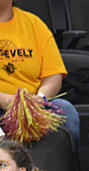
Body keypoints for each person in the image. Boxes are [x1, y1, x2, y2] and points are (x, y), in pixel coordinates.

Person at [0, 0, 80, 144]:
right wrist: (7, 101)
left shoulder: (34, 24)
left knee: (66, 110)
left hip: (33, 106)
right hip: (2, 105)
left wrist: (40, 98)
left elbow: (53, 76)